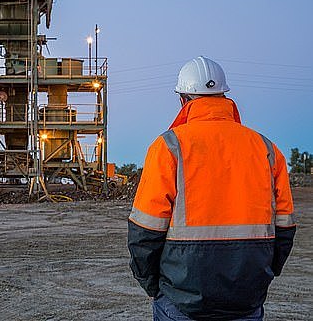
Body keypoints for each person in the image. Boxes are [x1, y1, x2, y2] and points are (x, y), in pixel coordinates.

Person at [127, 56, 296, 320]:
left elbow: (144, 233)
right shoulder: (266, 149)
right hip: (246, 299)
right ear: (224, 97)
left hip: (181, 300)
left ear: (183, 100)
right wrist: (263, 276)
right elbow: (285, 228)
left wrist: (153, 286)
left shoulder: (169, 147)